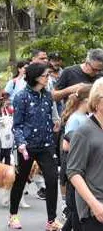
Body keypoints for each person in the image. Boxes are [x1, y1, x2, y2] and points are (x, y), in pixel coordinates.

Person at [8, 63, 62, 230]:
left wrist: (56, 121)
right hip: (27, 146)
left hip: (46, 145)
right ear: (37, 77)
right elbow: (16, 125)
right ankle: (13, 215)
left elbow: (53, 115)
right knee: (21, 180)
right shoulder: (21, 97)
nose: (49, 78)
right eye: (46, 75)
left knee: (52, 180)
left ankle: (51, 221)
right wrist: (21, 143)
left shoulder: (47, 96)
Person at [67, 78, 103, 231]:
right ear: (97, 101)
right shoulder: (84, 131)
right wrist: (95, 205)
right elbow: (74, 172)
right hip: (94, 211)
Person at [61, 84, 91, 231]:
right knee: (75, 210)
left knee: (76, 213)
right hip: (74, 164)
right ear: (87, 100)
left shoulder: (87, 117)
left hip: (85, 165)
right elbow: (66, 145)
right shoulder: (75, 119)